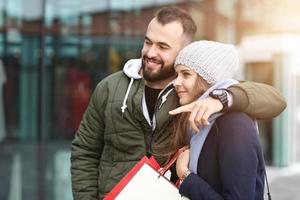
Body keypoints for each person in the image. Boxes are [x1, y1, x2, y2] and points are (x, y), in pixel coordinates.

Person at [71, 7, 286, 200]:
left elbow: (275, 100)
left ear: (182, 51)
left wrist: (220, 99)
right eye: (148, 42)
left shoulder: (192, 90)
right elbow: (85, 151)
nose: (150, 52)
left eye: (163, 46)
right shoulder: (109, 88)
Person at [173, 41, 266, 199]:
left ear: (208, 80)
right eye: (176, 74)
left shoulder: (236, 125)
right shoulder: (198, 122)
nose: (176, 82)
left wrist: (186, 176)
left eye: (186, 74)